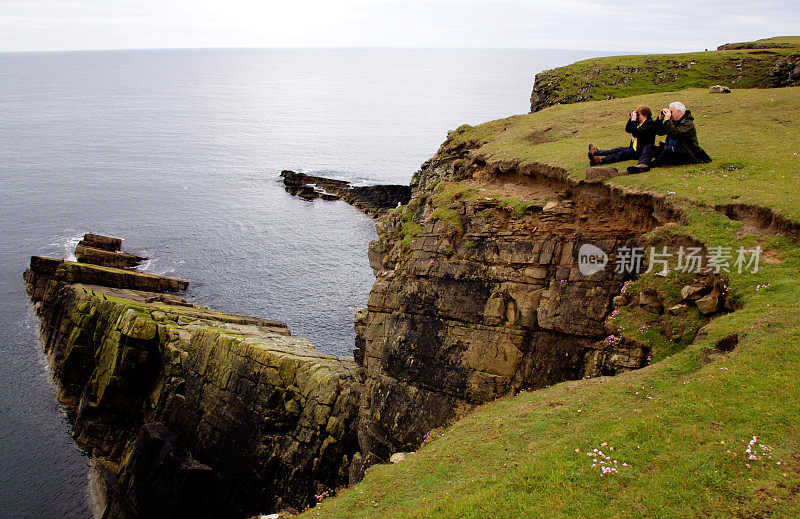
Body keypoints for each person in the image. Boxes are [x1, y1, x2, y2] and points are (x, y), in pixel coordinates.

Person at [627, 101, 711, 173]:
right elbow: (658, 132)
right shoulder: (672, 122)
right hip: (670, 150)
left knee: (669, 150)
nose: (670, 114)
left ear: (679, 111)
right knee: (649, 147)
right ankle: (642, 165)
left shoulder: (688, 124)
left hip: (685, 153)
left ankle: (651, 164)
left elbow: (675, 133)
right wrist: (660, 119)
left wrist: (667, 120)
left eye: (671, 111)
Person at [588, 106, 655, 166]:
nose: (638, 117)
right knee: (618, 149)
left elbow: (636, 133)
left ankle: (600, 160)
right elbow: (628, 129)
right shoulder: (643, 122)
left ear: (645, 115)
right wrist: (631, 119)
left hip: (641, 152)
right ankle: (597, 152)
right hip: (635, 148)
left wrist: (634, 121)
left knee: (621, 154)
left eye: (639, 115)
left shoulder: (649, 123)